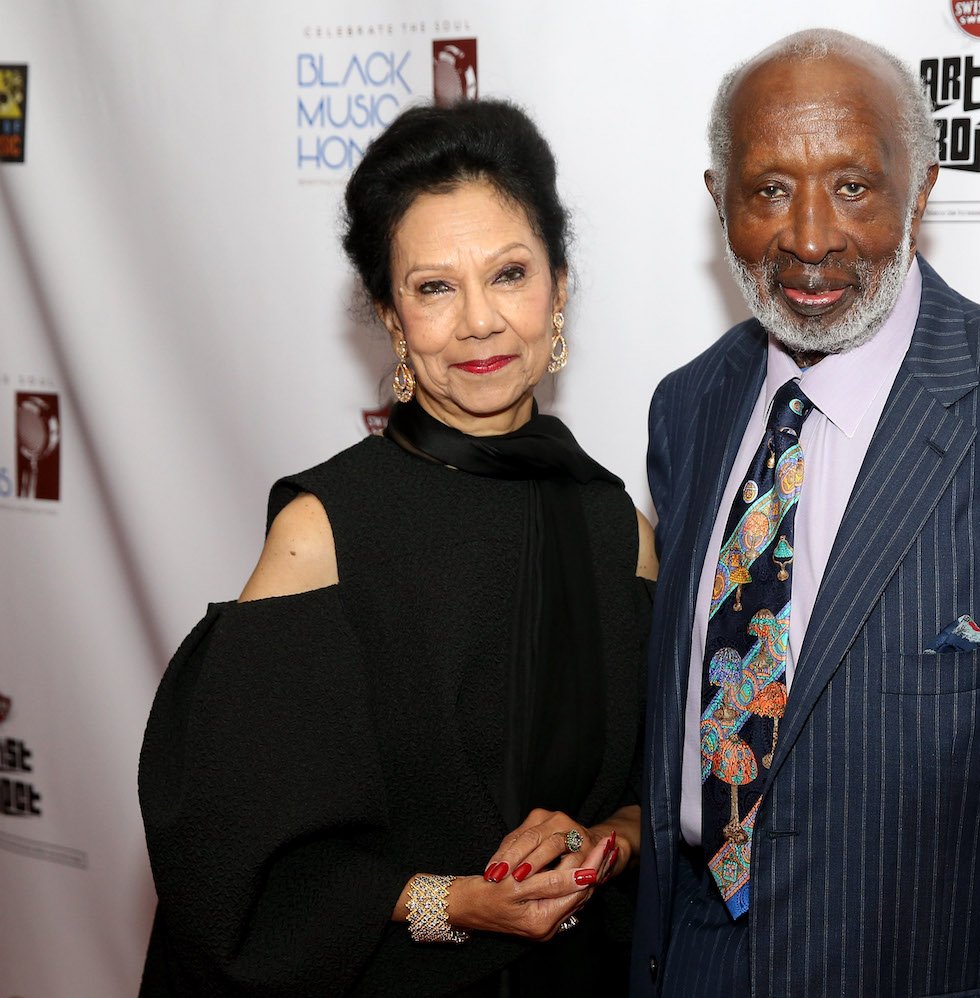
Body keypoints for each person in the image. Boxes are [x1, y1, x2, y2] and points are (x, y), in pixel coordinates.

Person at [633, 28, 980, 998]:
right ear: (717, 200)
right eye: (768, 189)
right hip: (694, 955)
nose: (808, 236)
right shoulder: (687, 408)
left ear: (920, 188)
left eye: (852, 184)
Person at [138, 99, 657, 997]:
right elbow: (228, 852)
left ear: (560, 286)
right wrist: (450, 903)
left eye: (508, 273)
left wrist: (599, 844)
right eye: (434, 288)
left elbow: (675, 802)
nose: (480, 323)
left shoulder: (620, 530)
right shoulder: (328, 529)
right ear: (389, 315)